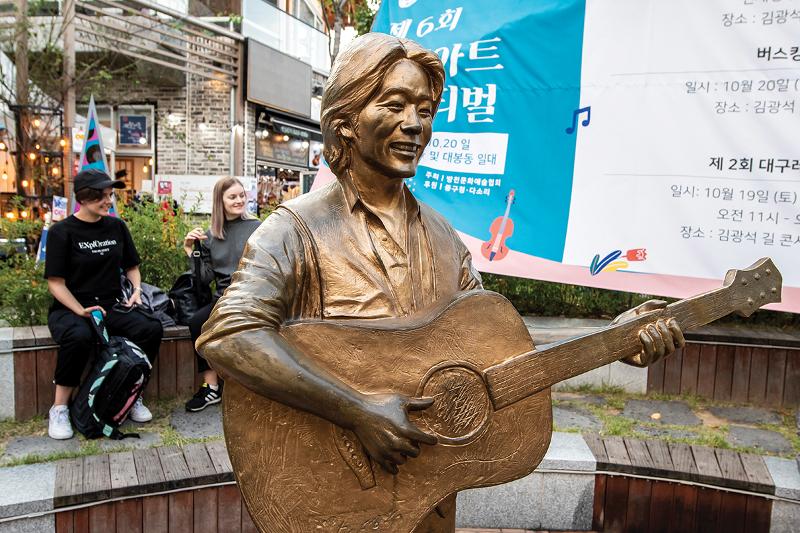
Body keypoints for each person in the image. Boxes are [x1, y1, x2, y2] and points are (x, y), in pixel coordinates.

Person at [197, 33, 683, 533]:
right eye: (394, 105)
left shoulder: (443, 237)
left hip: (427, 493)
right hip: (333, 488)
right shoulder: (296, 229)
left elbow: (495, 356)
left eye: (425, 109)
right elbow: (229, 335)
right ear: (344, 122)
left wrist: (613, 342)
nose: (415, 124)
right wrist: (355, 409)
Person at [44, 168, 163, 440]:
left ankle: (133, 395)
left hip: (110, 305)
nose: (109, 201)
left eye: (110, 195)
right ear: (84, 198)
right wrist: (78, 310)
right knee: (79, 337)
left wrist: (134, 291)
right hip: (72, 308)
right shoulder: (62, 232)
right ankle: (60, 407)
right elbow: (55, 283)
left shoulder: (116, 227)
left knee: (150, 328)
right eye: (103, 196)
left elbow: (131, 267)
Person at [182, 177, 260, 412]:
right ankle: (211, 387)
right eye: (232, 197)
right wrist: (190, 250)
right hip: (223, 299)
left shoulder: (257, 227)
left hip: (252, 296)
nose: (239, 201)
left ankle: (250, 389)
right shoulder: (211, 235)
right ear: (221, 201)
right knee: (198, 322)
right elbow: (205, 279)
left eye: (241, 196)